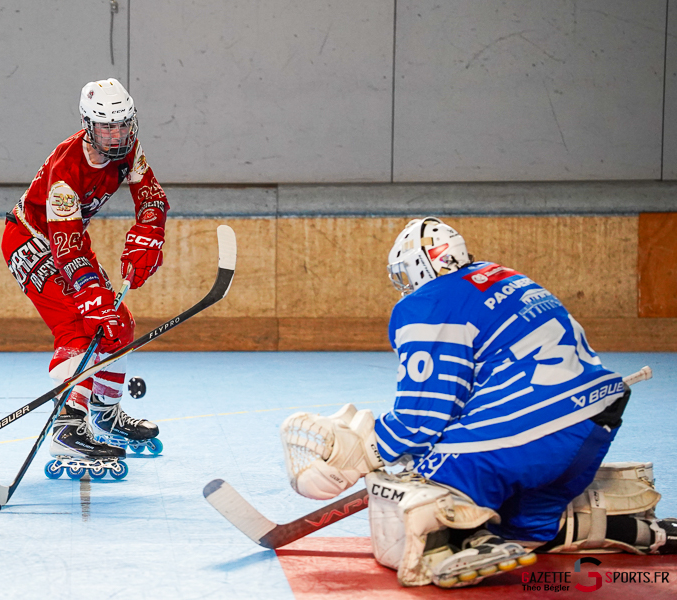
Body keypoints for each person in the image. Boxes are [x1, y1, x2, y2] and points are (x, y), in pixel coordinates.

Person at [280, 217, 677, 588]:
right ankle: (637, 531)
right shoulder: (505, 278)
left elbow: (423, 417)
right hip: (595, 419)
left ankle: (457, 542)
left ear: (421, 267)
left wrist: (368, 449)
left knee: (422, 481)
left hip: (532, 425)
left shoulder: (428, 302)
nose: (405, 287)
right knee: (523, 531)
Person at [1, 77, 165, 477]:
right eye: (107, 127)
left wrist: (149, 234)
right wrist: (91, 298)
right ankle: (67, 425)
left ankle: (105, 415)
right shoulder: (66, 170)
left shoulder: (129, 151)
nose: (117, 135)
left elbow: (152, 198)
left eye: (124, 124)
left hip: (71, 236)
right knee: (80, 328)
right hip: (33, 241)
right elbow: (64, 249)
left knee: (119, 325)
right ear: (89, 125)